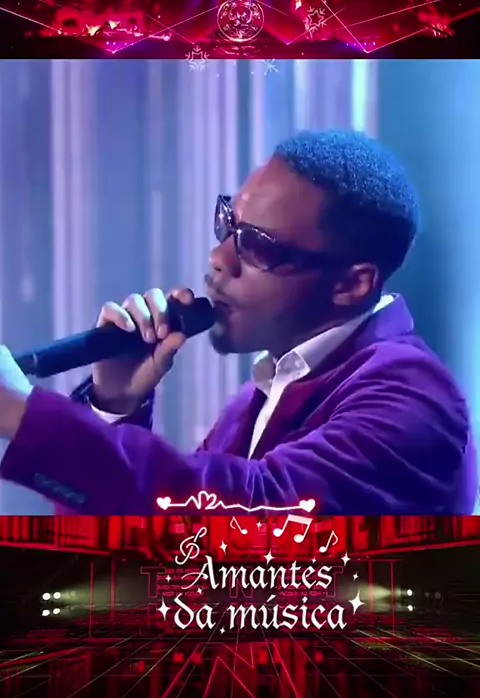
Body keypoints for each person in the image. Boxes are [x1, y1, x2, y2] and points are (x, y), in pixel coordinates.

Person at [0, 130, 476, 515]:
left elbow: (255, 515)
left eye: (259, 246)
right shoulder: (260, 395)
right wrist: (114, 405)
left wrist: (23, 412)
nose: (218, 258)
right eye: (229, 224)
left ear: (352, 284)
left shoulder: (412, 398)